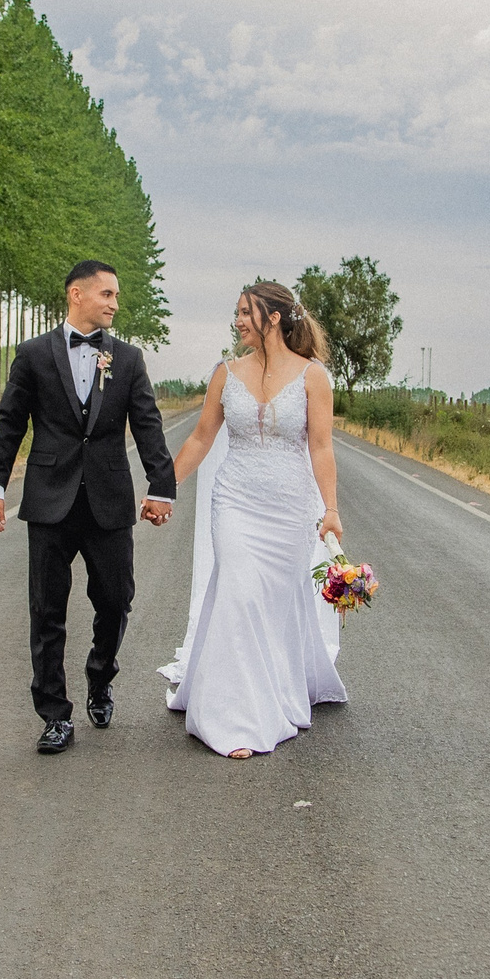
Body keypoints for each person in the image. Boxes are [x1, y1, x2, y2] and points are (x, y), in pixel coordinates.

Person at [0, 260, 178, 754]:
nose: (115, 303)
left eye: (117, 296)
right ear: (77, 294)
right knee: (46, 610)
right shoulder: (32, 354)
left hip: (108, 499)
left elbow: (148, 424)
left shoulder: (128, 359)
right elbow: (10, 422)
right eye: (107, 294)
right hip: (49, 499)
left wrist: (162, 485)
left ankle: (100, 676)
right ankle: (54, 715)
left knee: (115, 599)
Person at [159, 280, 348, 759]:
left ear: (274, 318)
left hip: (290, 509)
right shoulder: (226, 373)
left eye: (247, 312)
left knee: (271, 604)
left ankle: (274, 691)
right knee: (240, 594)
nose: (238, 320)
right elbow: (201, 438)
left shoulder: (313, 377)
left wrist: (330, 510)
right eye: (238, 312)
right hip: (235, 502)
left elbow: (321, 448)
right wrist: (164, 488)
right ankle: (235, 719)